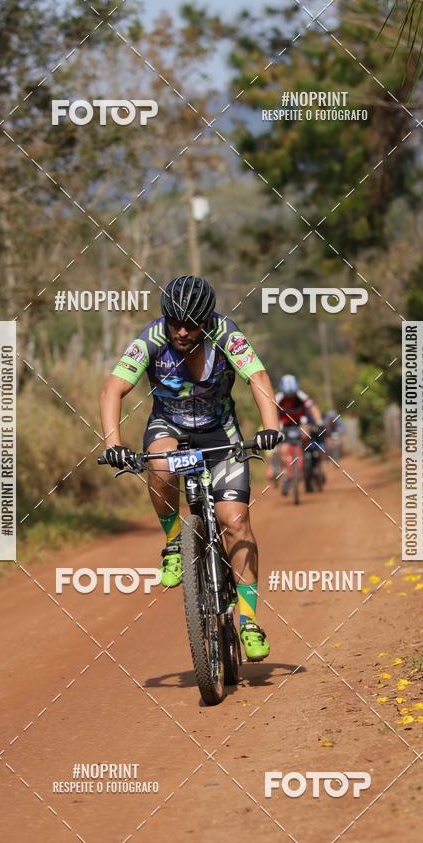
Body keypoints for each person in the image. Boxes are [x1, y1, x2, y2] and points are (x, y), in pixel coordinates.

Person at [99, 275, 282, 662]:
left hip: (220, 434)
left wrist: (270, 427)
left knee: (235, 522)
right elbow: (113, 388)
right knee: (161, 467)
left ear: (207, 319)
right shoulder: (151, 338)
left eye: (191, 324)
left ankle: (249, 621)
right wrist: (113, 444)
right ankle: (172, 544)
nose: (182, 331)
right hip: (170, 429)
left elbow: (258, 378)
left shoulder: (225, 333)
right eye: (175, 322)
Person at [275, 375, 323, 492]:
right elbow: (270, 409)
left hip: (299, 424)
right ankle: (286, 474)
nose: (290, 397)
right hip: (284, 426)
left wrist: (319, 421)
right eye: (288, 395)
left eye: (292, 394)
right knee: (282, 450)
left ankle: (305, 455)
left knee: (306, 433)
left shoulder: (301, 395)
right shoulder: (278, 397)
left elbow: (313, 408)